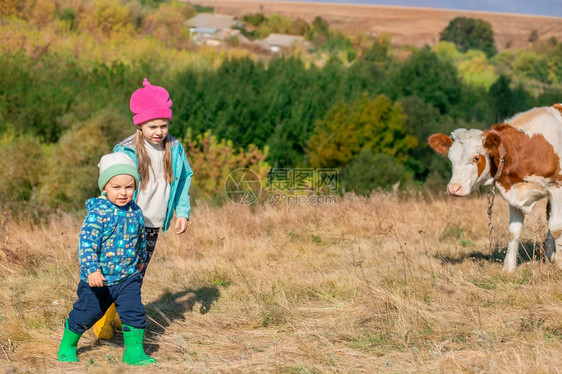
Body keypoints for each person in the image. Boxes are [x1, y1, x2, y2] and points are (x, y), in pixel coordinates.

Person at [92, 78, 193, 340]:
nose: (159, 131)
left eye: (164, 125)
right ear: (140, 125)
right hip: (125, 222)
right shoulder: (126, 151)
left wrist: (182, 212)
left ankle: (117, 317)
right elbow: (110, 182)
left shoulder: (175, 148)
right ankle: (101, 318)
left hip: (152, 224)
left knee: (136, 274)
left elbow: (183, 180)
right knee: (117, 271)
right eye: (152, 126)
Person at [57, 152, 156, 366]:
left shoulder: (136, 211)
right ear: (104, 187)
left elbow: (140, 237)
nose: (123, 193)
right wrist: (92, 269)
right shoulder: (98, 213)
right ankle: (68, 344)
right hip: (99, 279)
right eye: (116, 187)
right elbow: (87, 244)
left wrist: (141, 258)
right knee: (86, 314)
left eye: (129, 187)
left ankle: (134, 353)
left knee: (134, 312)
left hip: (128, 276)